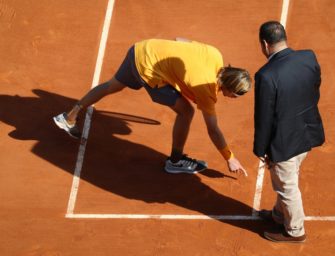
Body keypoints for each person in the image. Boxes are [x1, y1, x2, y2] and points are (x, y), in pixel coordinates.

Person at [53, 38, 251, 175]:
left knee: (111, 86)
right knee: (186, 111)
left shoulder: (214, 54)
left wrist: (176, 73)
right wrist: (229, 157)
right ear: (229, 85)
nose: (234, 98)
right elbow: (213, 130)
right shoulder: (206, 90)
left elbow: (180, 40)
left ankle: (68, 117)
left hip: (141, 50)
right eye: (236, 94)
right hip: (148, 72)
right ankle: (175, 161)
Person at [254, 21, 325, 243]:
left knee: (287, 186)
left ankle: (295, 231)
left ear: (265, 45)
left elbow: (264, 118)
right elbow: (315, 87)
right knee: (287, 177)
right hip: (307, 132)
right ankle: (278, 215)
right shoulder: (308, 57)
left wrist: (260, 149)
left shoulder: (266, 75)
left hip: (284, 143)